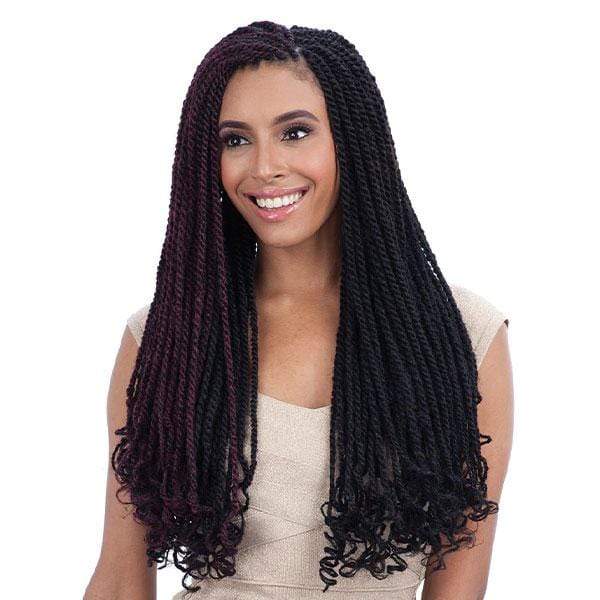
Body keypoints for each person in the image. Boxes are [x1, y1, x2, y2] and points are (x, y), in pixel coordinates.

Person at [84, 20, 513, 600]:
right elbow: (119, 580)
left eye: (295, 132)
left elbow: (459, 584)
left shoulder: (463, 338)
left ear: (350, 138)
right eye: (235, 140)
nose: (264, 167)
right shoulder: (165, 339)